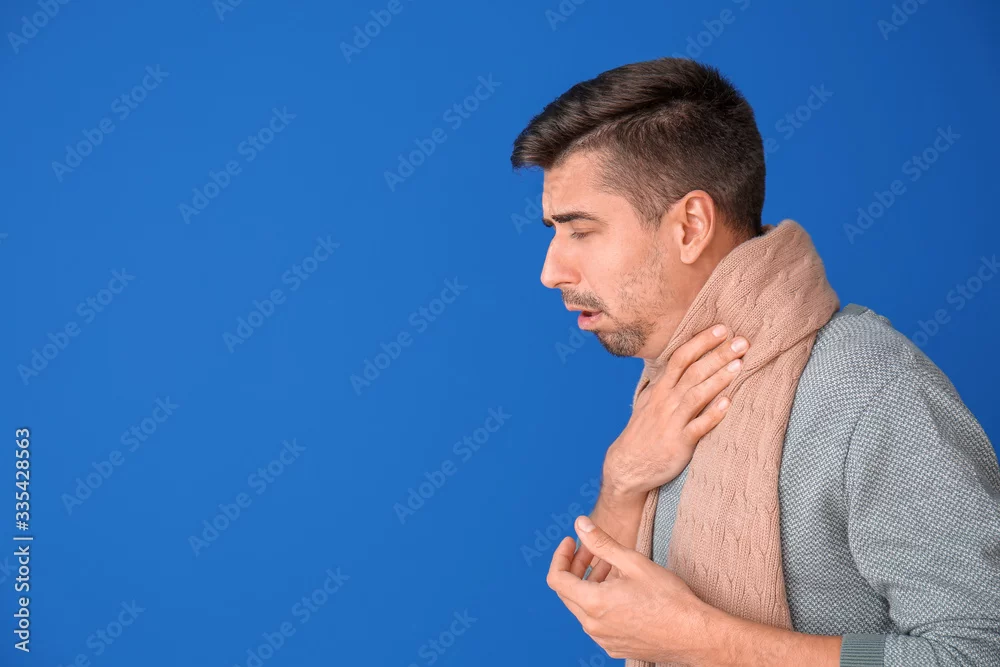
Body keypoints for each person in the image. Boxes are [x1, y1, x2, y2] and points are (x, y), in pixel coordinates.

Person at [510, 56, 1000, 667]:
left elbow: (979, 653)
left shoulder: (868, 390)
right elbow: (625, 621)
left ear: (690, 226)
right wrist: (624, 476)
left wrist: (705, 642)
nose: (550, 271)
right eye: (553, 232)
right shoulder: (673, 389)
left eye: (580, 231)